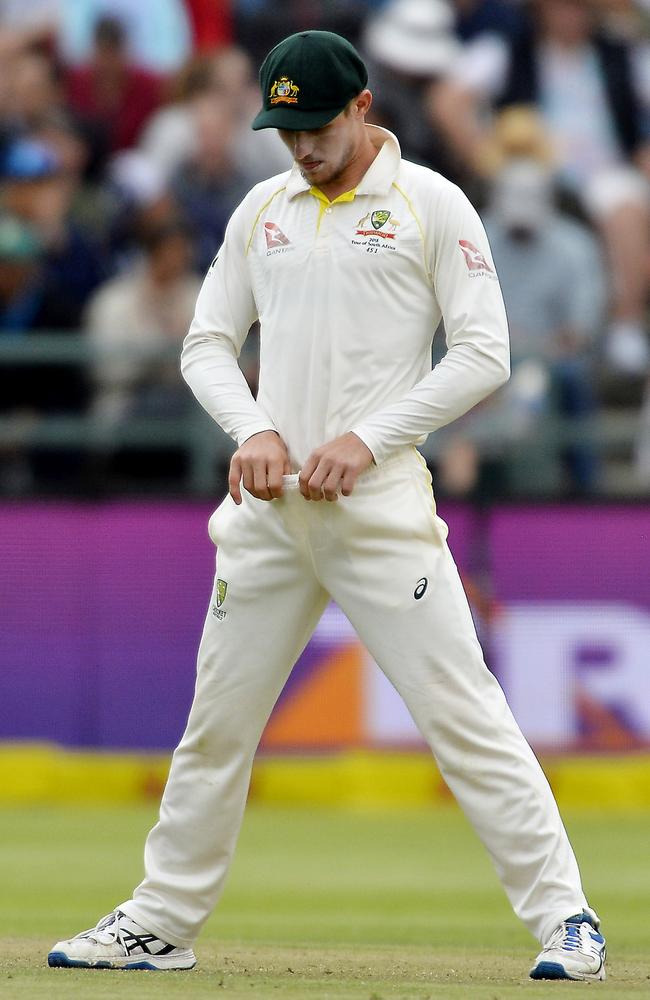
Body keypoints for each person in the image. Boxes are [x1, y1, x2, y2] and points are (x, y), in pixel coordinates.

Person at [47, 30, 607, 983]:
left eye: (315, 126)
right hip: (269, 517)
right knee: (215, 727)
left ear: (361, 107)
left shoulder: (431, 204)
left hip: (380, 510)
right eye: (284, 129)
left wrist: (371, 439)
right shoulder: (264, 208)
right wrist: (253, 431)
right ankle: (162, 921)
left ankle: (567, 922)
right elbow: (206, 344)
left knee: (466, 718)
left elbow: (486, 354)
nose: (300, 148)